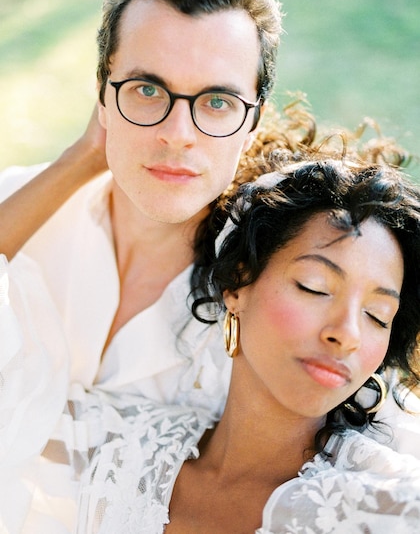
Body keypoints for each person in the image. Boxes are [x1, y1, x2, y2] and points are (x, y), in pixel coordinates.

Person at [75, 153, 420, 534]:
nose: (349, 334)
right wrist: (85, 157)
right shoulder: (124, 451)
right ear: (238, 284)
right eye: (314, 287)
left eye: (377, 315)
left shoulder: (385, 506)